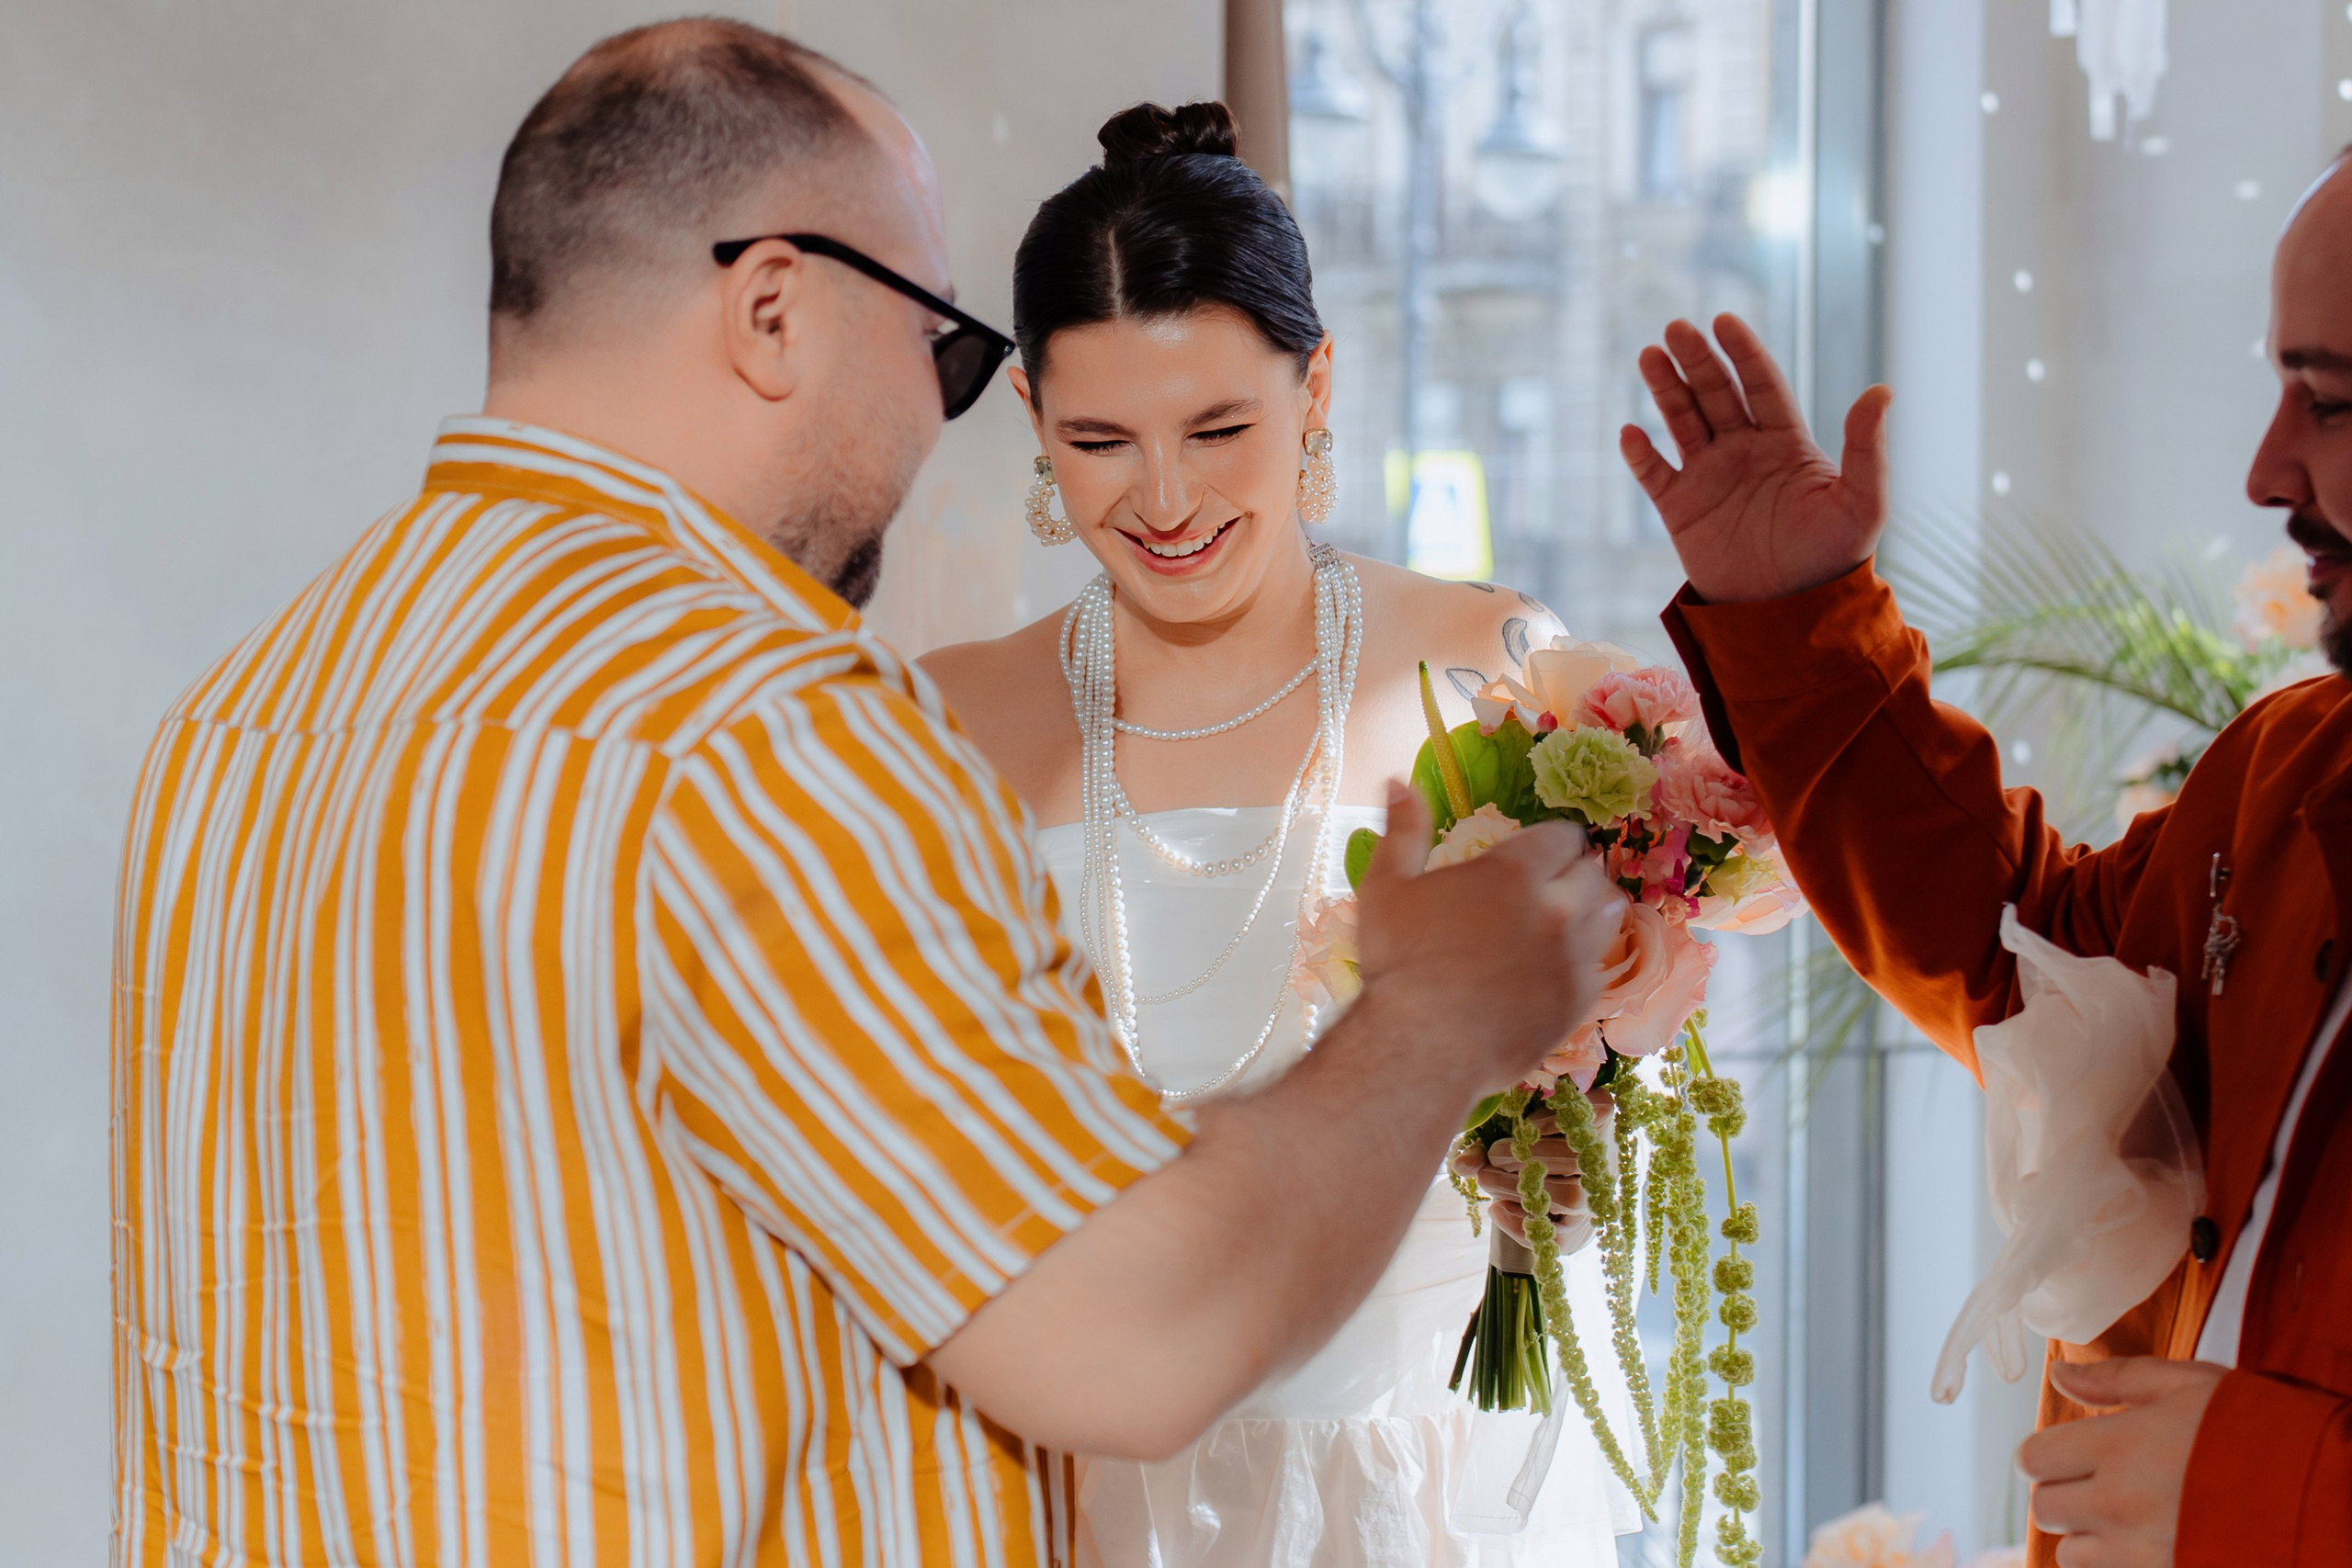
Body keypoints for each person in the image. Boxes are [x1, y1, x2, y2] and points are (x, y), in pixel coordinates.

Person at [107, 24, 1628, 1568]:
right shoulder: (757, 729)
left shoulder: (244, 713)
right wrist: (1436, 1017)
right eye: (943, 351)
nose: (939, 420)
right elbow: (1139, 1336)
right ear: (773, 306)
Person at [921, 101, 1637, 1568]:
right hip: (1083, 1474)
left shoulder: (1486, 665)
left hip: (1417, 1477)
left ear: (1317, 388)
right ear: (1033, 421)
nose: (1166, 499)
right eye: (1101, 439)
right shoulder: (947, 717)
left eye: (1220, 429)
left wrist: (1560, 1177)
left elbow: (1601, 1088)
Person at [1618, 151, 2352, 1567]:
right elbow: (2030, 961)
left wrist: (2268, 1489)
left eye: (2325, 400)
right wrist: (1795, 624)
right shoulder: (2297, 767)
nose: (2266, 468)